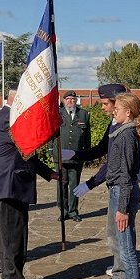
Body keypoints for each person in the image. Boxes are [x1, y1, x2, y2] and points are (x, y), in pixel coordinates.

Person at [0, 84, 60, 279]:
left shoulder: (11, 118)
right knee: (12, 237)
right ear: (16, 101)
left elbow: (27, 153)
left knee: (15, 235)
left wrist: (48, 173)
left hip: (10, 186)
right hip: (6, 186)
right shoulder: (9, 119)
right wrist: (53, 124)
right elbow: (32, 140)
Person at [61, 83, 130, 279]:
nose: (102, 108)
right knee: (115, 233)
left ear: (116, 102)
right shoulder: (114, 123)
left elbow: (112, 163)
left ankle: (122, 275)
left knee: (118, 234)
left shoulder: (123, 128)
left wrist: (90, 183)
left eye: (104, 104)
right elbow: (101, 148)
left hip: (121, 187)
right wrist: (76, 154)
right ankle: (121, 267)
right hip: (115, 186)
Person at [104, 93, 140, 279]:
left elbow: (127, 176)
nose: (114, 111)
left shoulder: (128, 135)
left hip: (123, 193)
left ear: (128, 112)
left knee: (127, 248)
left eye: (117, 108)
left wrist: (122, 209)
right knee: (124, 245)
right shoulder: (122, 132)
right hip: (119, 191)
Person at [52, 90, 91, 222]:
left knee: (74, 185)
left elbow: (87, 137)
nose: (70, 101)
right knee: (61, 185)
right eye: (68, 99)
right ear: (64, 101)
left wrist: (86, 154)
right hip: (60, 156)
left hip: (76, 156)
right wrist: (52, 151)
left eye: (73, 99)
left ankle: (73, 211)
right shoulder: (58, 114)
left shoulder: (83, 114)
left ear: (76, 101)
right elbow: (52, 134)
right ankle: (63, 211)